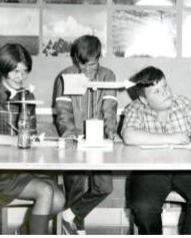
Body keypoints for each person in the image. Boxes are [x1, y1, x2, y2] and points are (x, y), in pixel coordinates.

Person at [0, 43, 65, 235]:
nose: (20, 77)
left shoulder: (28, 96)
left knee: (59, 200)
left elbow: (30, 135)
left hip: (23, 168)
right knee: (46, 192)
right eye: (15, 71)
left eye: (24, 72)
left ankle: (24, 232)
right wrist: (11, 140)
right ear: (2, 70)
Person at [121, 66, 191, 234]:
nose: (165, 93)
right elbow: (129, 136)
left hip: (186, 167)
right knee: (143, 207)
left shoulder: (182, 102)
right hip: (149, 170)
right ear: (144, 100)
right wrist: (171, 138)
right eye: (157, 91)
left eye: (165, 86)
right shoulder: (135, 108)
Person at [53, 35, 119, 235]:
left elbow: (110, 110)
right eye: (83, 66)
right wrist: (70, 134)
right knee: (75, 189)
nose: (88, 71)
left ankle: (68, 216)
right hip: (75, 141)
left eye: (92, 65)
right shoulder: (65, 76)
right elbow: (63, 112)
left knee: (105, 187)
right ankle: (76, 230)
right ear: (75, 58)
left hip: (100, 141)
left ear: (100, 57)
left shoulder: (108, 76)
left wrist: (111, 131)